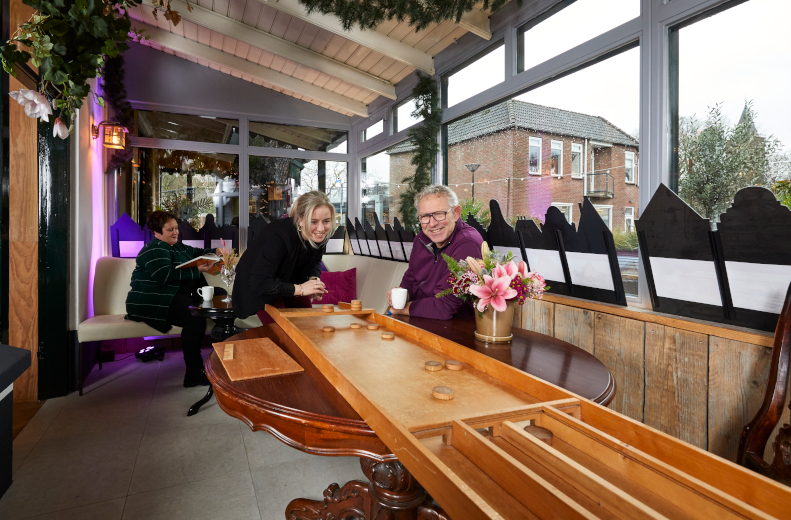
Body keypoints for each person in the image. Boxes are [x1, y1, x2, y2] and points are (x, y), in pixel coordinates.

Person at [125, 211, 224, 387]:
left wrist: (215, 251)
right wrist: (198, 270)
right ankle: (194, 373)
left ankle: (225, 346)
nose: (175, 232)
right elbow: (164, 275)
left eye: (176, 228)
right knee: (195, 317)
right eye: (170, 229)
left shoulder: (178, 247)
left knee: (220, 295)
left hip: (174, 294)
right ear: (156, 232)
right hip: (153, 299)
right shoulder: (154, 248)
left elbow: (198, 252)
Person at [234, 191, 332, 324]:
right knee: (284, 333)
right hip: (259, 287)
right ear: (300, 220)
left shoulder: (321, 237)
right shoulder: (279, 235)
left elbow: (315, 260)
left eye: (326, 221)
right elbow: (259, 282)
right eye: (313, 222)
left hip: (288, 281)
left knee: (309, 324)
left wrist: (314, 279)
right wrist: (302, 289)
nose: (321, 229)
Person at [388, 185, 483, 320]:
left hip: (455, 329)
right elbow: (410, 278)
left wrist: (402, 309)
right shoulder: (421, 238)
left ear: (456, 213)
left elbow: (444, 307)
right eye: (425, 216)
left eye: (439, 214)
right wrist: (401, 295)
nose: (432, 224)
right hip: (419, 319)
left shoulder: (467, 243)